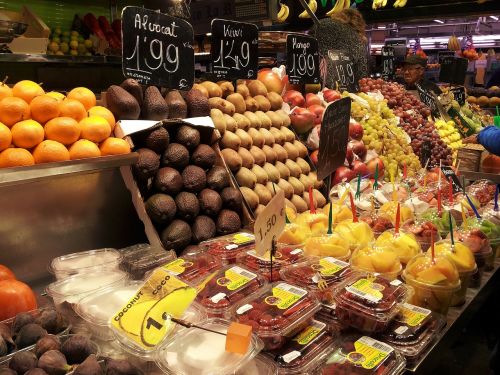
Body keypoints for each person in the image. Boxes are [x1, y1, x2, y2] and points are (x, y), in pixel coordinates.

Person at [311, 9, 368, 88]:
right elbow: (362, 72)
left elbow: (308, 47)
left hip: (314, 82)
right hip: (344, 89)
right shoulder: (358, 38)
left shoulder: (322, 23)